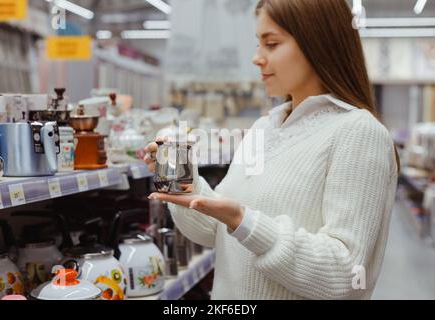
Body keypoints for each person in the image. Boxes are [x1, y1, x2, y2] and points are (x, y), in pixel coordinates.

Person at [144, 0, 400, 300]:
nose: (257, 58)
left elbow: (345, 275)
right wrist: (185, 188)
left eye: (272, 44)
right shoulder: (265, 128)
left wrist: (246, 221)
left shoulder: (358, 133)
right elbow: (215, 232)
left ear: (317, 43)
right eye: (258, 44)